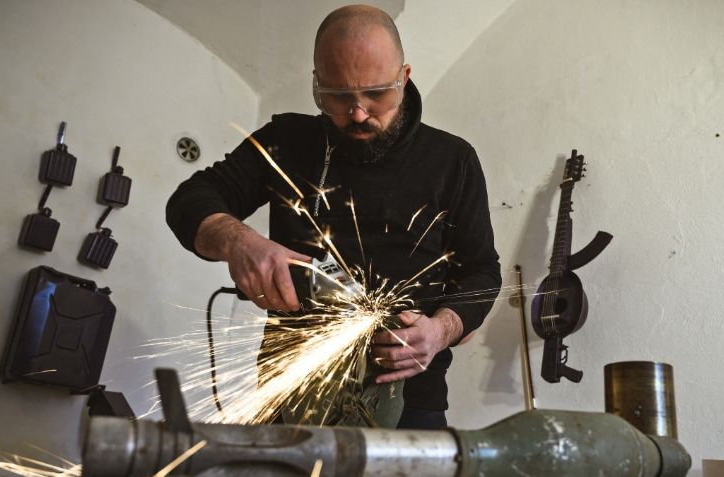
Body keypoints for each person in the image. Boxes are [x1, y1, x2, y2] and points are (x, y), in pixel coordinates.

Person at [166, 4, 500, 430]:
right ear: (317, 83)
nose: (358, 114)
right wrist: (238, 242)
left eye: (376, 94)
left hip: (412, 403)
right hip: (289, 396)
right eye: (338, 98)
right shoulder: (286, 140)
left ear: (405, 77)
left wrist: (439, 331)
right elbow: (189, 199)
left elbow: (483, 273)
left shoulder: (453, 160)